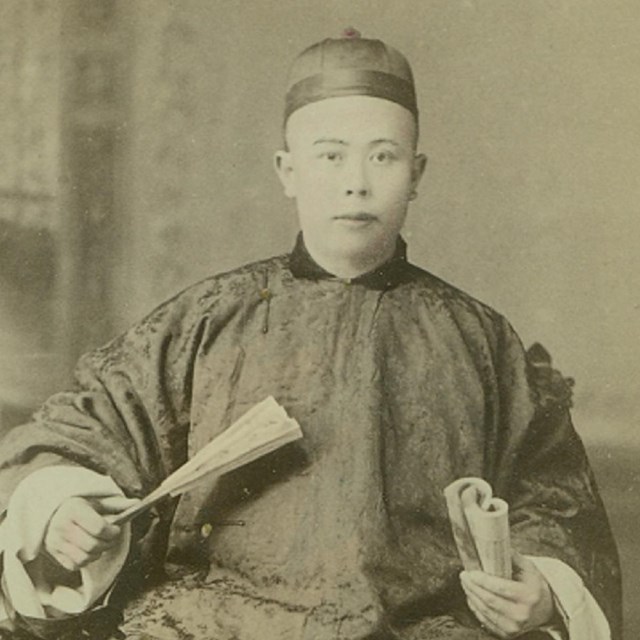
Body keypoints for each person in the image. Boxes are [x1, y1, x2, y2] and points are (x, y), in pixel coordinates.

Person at [0, 31, 621, 640]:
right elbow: (78, 437)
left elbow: (553, 501)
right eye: (330, 155)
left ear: (417, 172)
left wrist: (542, 589)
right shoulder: (204, 321)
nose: (357, 181)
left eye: (383, 156)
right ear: (287, 171)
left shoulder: (479, 341)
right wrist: (63, 511)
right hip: (213, 624)